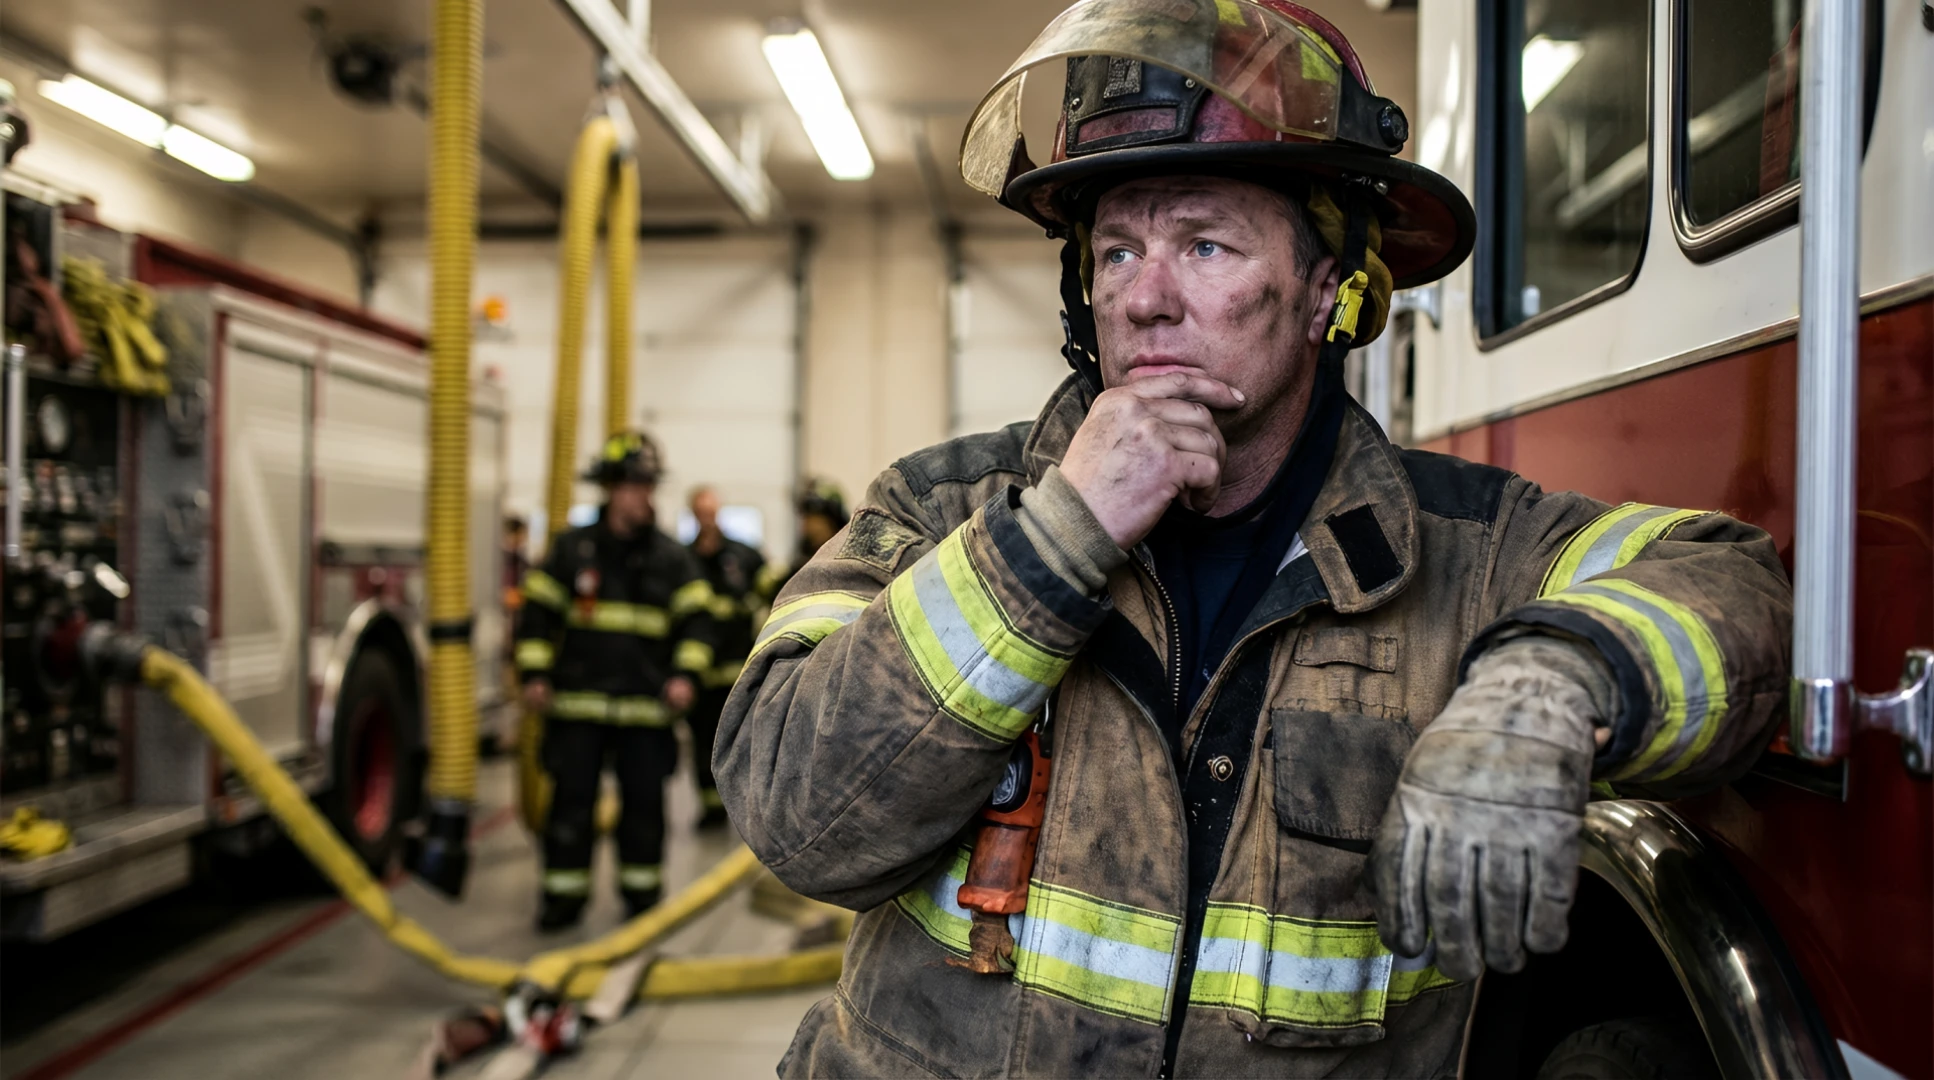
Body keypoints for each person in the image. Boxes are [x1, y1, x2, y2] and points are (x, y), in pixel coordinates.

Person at [714, 2, 1792, 1076]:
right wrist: (1050, 543)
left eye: (1205, 243)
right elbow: (797, 819)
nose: (1144, 298)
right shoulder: (940, 508)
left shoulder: (1464, 551)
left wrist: (1550, 684)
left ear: (1327, 289)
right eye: (1118, 249)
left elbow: (1727, 581)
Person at [514, 431, 717, 930]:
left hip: (646, 712)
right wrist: (534, 673)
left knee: (644, 811)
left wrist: (686, 675)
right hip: (576, 710)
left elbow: (699, 623)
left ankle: (641, 898)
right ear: (609, 489)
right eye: (631, 484)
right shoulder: (571, 550)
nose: (641, 494)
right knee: (570, 810)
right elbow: (536, 616)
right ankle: (562, 899)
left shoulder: (672, 559)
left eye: (647, 484)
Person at [685, 485, 765, 828]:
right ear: (693, 514)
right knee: (702, 743)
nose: (707, 517)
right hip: (700, 672)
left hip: (737, 671)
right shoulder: (684, 559)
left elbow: (772, 588)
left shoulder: (743, 556)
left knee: (742, 743)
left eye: (711, 510)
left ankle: (743, 809)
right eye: (701, 511)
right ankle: (711, 808)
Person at [752, 478, 849, 603]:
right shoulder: (798, 568)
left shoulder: (851, 568)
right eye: (806, 518)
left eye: (816, 519)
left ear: (834, 521)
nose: (809, 526)